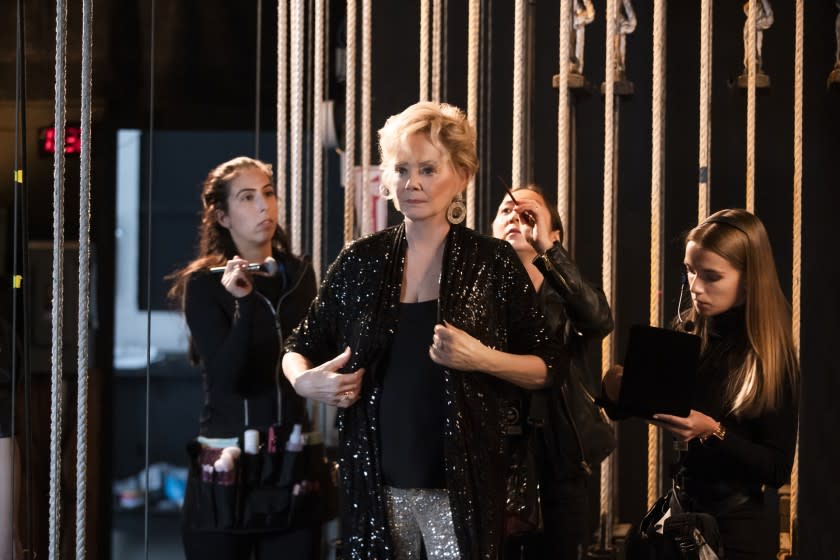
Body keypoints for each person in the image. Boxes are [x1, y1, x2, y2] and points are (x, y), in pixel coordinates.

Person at [282, 101, 566, 560]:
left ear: (463, 176)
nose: (412, 182)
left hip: (463, 488)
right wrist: (304, 379)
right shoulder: (360, 260)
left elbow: (549, 367)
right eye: (401, 169)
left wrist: (480, 358)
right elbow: (299, 344)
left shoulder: (493, 263)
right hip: (375, 484)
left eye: (429, 169)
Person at [603, 209, 799, 559]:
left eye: (711, 276)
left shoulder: (770, 357)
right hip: (683, 520)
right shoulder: (687, 332)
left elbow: (777, 468)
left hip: (738, 531)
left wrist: (712, 432)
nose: (695, 287)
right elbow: (652, 407)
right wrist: (616, 390)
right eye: (690, 270)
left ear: (750, 279)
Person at [168, 156, 319, 560]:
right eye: (248, 198)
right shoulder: (204, 284)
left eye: (268, 194)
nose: (264, 207)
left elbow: (313, 353)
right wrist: (246, 302)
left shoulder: (301, 275)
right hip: (226, 469)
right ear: (222, 216)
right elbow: (227, 378)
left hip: (291, 464)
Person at [492, 185, 613, 560]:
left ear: (554, 234)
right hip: (496, 455)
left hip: (560, 458)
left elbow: (598, 320)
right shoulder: (479, 290)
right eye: (505, 212)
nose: (514, 217)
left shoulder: (568, 293)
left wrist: (547, 249)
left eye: (528, 212)